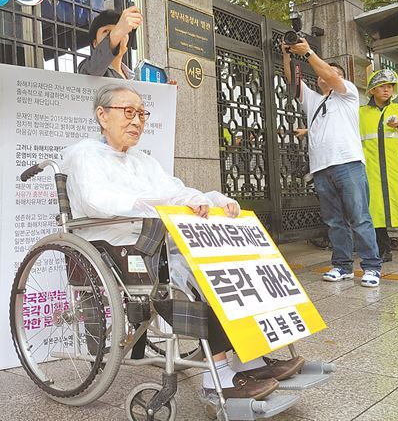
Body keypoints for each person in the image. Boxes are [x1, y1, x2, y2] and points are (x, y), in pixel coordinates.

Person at [62, 83, 305, 400]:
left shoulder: (143, 162)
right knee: (196, 270)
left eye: (141, 114)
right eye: (128, 112)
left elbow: (176, 191)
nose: (137, 121)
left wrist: (210, 201)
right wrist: (160, 203)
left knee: (232, 266)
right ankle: (216, 376)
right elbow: (98, 202)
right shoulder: (84, 155)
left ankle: (250, 358)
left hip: (158, 237)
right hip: (116, 244)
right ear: (102, 115)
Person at [282, 39, 382, 287]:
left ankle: (371, 267)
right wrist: (287, 55)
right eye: (321, 73)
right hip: (321, 169)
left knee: (359, 218)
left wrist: (309, 53)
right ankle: (342, 265)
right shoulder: (314, 100)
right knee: (334, 222)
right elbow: (293, 82)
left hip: (348, 164)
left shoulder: (347, 94)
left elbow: (328, 72)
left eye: (330, 72)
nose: (323, 74)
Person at [360, 69, 398, 264]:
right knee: (375, 208)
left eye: (391, 86)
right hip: (372, 166)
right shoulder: (361, 113)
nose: (387, 90)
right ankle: (383, 250)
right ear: (373, 89)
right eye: (383, 86)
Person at [78, 7, 142, 79]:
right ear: (95, 43)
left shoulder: (135, 77)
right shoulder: (88, 68)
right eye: (106, 31)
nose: (115, 34)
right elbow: (93, 70)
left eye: (123, 31)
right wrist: (118, 32)